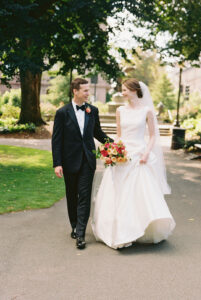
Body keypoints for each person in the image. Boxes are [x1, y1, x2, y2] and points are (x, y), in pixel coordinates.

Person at [91, 78, 176, 249]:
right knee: (118, 193)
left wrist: (146, 153)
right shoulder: (120, 110)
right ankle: (118, 231)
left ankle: (139, 228)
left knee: (139, 194)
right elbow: (119, 135)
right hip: (122, 156)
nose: (122, 92)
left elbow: (152, 136)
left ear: (134, 90)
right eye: (121, 90)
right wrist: (113, 151)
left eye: (124, 89)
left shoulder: (147, 111)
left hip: (139, 156)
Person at [52, 78, 113, 249]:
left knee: (85, 196)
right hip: (69, 160)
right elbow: (56, 140)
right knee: (72, 195)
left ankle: (80, 233)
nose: (88, 93)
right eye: (85, 90)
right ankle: (74, 225)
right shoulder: (62, 112)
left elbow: (98, 133)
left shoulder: (92, 110)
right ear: (75, 91)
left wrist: (115, 144)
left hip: (87, 160)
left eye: (88, 90)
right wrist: (57, 163)